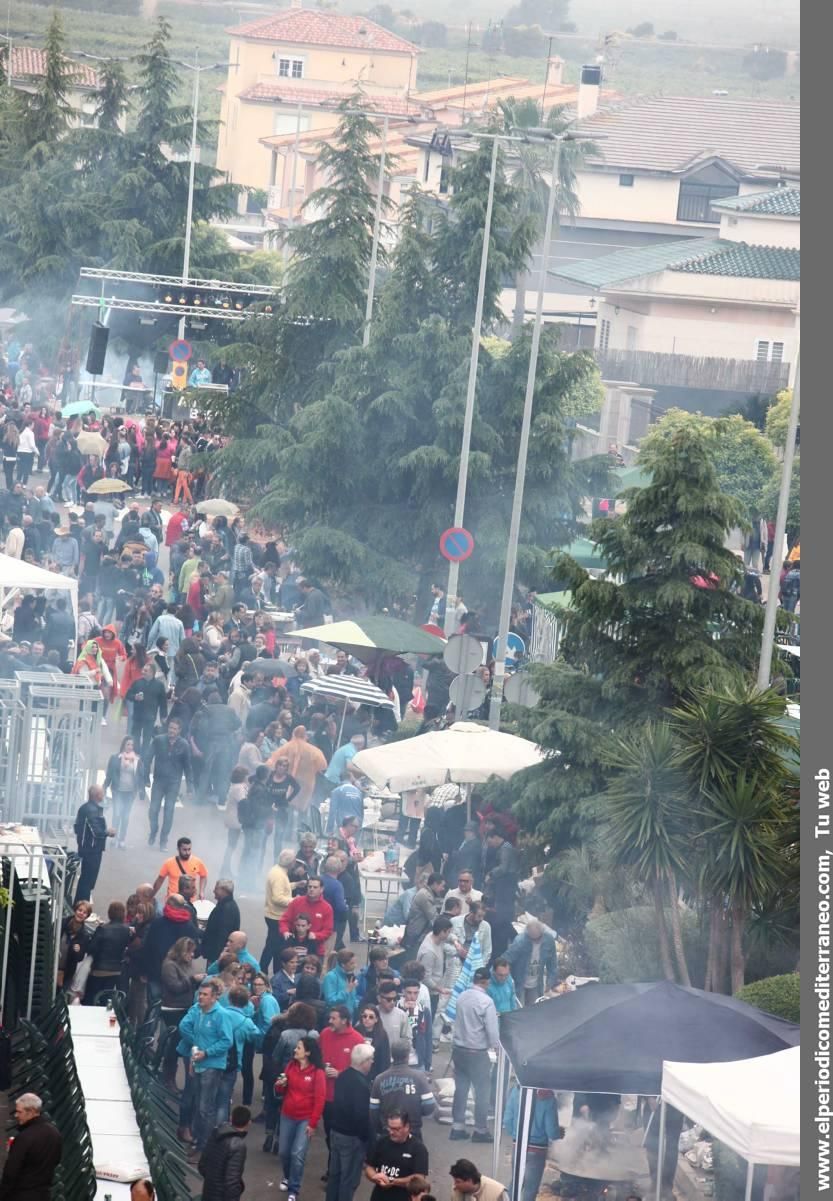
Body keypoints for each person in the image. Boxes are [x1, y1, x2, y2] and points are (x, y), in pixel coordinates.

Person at [177, 980, 234, 1151]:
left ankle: (204, 1146)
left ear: (214, 997)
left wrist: (207, 1053)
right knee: (197, 1103)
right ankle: (196, 1139)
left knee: (205, 1107)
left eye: (204, 995)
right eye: (200, 994)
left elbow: (227, 1040)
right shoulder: (198, 1011)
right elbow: (193, 1036)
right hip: (198, 1063)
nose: (200, 997)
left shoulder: (221, 1015)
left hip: (212, 1065)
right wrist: (193, 1060)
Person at [450, 967, 499, 1142]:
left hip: (459, 1050)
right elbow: (492, 1031)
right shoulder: (487, 1002)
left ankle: (457, 1127)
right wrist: (497, 1048)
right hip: (477, 1053)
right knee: (482, 1091)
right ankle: (480, 1130)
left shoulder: (462, 997)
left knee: (461, 1089)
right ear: (487, 981)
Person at [276, 1036, 327, 1201]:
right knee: (284, 1151)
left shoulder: (317, 1072)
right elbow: (280, 1090)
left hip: (305, 1118)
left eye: (298, 1048)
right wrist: (280, 1085)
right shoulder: (290, 1066)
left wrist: (313, 1124)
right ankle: (287, 1176)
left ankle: (294, 1189)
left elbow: (320, 1099)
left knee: (297, 1153)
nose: (295, 1050)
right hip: (287, 1115)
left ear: (308, 1052)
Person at [325, 1042, 374, 1201]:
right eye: (371, 1059)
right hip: (351, 1137)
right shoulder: (361, 1085)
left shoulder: (343, 1076)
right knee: (349, 1179)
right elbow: (360, 1116)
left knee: (335, 1176)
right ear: (364, 1061)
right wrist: (366, 1139)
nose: (372, 1062)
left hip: (335, 1132)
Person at [0, 1093, 63, 1201]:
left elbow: (10, 1173)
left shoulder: (24, 1137)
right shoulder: (55, 1133)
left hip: (20, 1195)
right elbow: (56, 1160)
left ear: (31, 1112)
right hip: (43, 1195)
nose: (16, 1115)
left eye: (19, 1112)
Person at [320, 1005, 366, 1151]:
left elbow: (362, 1068)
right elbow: (318, 1058)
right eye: (330, 1018)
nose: (330, 1021)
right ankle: (332, 1166)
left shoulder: (357, 1039)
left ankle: (336, 1169)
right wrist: (322, 1068)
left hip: (344, 1098)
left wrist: (339, 1073)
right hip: (325, 1094)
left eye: (334, 1018)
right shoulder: (325, 1034)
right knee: (328, 1133)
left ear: (344, 1020)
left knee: (341, 1136)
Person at [369, 1040, 435, 1141]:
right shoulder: (419, 1077)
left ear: (392, 1055)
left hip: (388, 1132)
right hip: (413, 1131)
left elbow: (373, 1111)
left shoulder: (379, 1079)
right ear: (408, 1056)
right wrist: (416, 1114)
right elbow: (429, 1106)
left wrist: (382, 1129)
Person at [503, 1087, 559, 1201]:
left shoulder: (516, 1090)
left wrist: (516, 1135)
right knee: (530, 1189)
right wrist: (559, 1133)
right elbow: (552, 1132)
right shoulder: (548, 1096)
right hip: (537, 1150)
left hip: (518, 1145)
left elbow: (507, 1120)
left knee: (516, 1183)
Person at [144, 721, 194, 849]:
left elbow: (188, 766)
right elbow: (148, 758)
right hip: (159, 780)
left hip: (174, 782)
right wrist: (145, 777)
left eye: (175, 728)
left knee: (169, 810)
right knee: (153, 809)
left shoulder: (184, 745)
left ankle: (163, 840)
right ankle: (153, 830)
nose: (172, 730)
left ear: (179, 731)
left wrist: (189, 786)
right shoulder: (158, 740)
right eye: (170, 727)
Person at [365, 1110, 429, 1201]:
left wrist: (392, 1181)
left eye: (396, 1129)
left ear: (407, 1127)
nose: (391, 1132)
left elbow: (419, 1178)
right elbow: (369, 1167)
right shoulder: (381, 1142)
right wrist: (376, 1177)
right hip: (379, 1196)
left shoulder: (418, 1149)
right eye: (389, 1128)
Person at [197, 1103, 250, 1201]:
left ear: (231, 1118)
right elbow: (232, 1182)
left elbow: (202, 1166)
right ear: (248, 1123)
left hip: (208, 1194)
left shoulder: (216, 1133)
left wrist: (213, 1182)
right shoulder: (238, 1145)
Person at [73, 783, 115, 902]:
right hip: (92, 850)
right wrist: (109, 832)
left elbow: (77, 827)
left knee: (86, 879)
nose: (104, 795)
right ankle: (81, 905)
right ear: (98, 795)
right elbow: (96, 831)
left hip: (87, 848)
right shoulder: (92, 810)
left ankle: (79, 904)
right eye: (102, 792)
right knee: (88, 880)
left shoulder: (85, 808)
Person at [84, 900, 131, 1004]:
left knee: (91, 997)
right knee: (106, 997)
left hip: (99, 969)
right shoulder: (126, 930)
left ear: (110, 913)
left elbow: (92, 948)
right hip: (116, 970)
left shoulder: (103, 929)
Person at [504, 920, 558, 1006]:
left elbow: (552, 964)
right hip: (519, 984)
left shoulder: (549, 940)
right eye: (533, 939)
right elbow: (506, 959)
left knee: (532, 1010)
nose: (536, 941)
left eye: (539, 938)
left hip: (536, 985)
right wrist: (508, 981)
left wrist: (549, 983)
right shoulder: (520, 941)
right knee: (519, 1011)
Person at [103, 735, 144, 848]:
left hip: (130, 792)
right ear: (123, 745)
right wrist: (105, 786)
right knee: (116, 813)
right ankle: (113, 837)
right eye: (128, 744)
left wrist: (141, 790)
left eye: (132, 745)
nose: (130, 747)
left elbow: (140, 776)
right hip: (118, 790)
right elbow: (110, 774)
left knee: (125, 816)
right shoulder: (116, 758)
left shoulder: (137, 759)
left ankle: (122, 839)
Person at [279, 878, 334, 955]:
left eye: (315, 887)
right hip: (293, 948)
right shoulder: (296, 902)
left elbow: (328, 931)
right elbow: (284, 920)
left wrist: (315, 935)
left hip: (315, 950)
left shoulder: (327, 908)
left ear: (321, 889)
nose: (311, 889)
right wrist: (285, 931)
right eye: (309, 886)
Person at [262, 848, 296, 972]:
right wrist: (294, 901)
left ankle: (268, 969)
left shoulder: (277, 871)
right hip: (276, 916)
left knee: (273, 946)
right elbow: (277, 898)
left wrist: (296, 885)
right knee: (273, 947)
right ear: (291, 862)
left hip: (273, 914)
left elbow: (282, 888)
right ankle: (264, 969)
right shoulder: (279, 875)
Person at [153, 836, 208, 900]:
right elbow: (160, 880)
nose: (187, 852)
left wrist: (201, 891)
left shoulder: (197, 862)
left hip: (190, 902)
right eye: (184, 850)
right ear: (178, 849)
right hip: (173, 901)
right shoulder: (168, 863)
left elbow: (204, 876)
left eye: (189, 849)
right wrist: (151, 895)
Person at [201, 880, 242, 966]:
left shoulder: (227, 909)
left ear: (224, 890)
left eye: (216, 888)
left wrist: (218, 958)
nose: (213, 891)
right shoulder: (224, 905)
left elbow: (223, 935)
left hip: (216, 956)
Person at [403, 873, 446, 954]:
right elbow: (434, 918)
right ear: (435, 884)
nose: (443, 889)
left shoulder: (426, 893)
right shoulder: (425, 896)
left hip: (415, 932)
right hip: (416, 935)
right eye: (442, 886)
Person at [354, 1003, 390, 1079]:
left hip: (376, 1075)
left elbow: (385, 1059)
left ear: (376, 1019)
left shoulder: (382, 1035)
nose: (367, 1019)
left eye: (371, 1017)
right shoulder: (356, 1031)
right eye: (364, 1016)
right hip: (358, 1075)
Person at [322, 949, 359, 1017]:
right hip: (336, 1018)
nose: (355, 966)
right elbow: (330, 1000)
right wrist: (347, 991)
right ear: (343, 965)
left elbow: (352, 998)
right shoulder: (330, 976)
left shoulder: (350, 975)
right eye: (352, 963)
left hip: (349, 1017)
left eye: (355, 963)